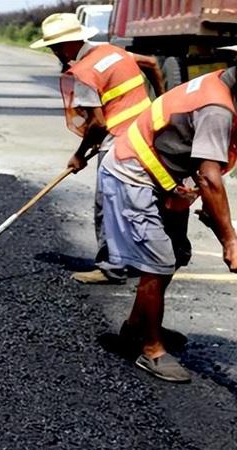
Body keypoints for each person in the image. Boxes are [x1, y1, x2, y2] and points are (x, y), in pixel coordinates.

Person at [99, 52, 237, 382]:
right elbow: (209, 178)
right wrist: (229, 239)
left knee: (176, 254)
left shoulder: (223, 83)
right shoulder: (217, 108)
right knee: (157, 261)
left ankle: (134, 327)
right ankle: (151, 349)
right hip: (132, 176)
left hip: (165, 176)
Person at [30, 13, 166, 284]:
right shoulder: (111, 50)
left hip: (119, 143)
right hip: (146, 133)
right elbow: (151, 63)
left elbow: (98, 125)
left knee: (108, 204)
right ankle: (141, 260)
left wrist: (79, 155)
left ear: (70, 43)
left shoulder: (83, 73)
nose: (55, 52)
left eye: (56, 47)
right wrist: (159, 101)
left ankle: (111, 268)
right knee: (140, 200)